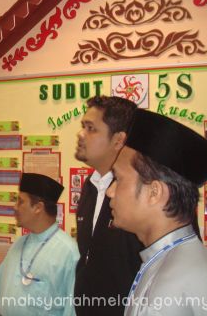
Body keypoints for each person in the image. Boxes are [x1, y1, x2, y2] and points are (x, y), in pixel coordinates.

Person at [107, 109, 207, 315]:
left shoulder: (168, 289)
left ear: (154, 192)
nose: (110, 191)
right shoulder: (185, 260)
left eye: (118, 179)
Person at [0, 173, 79, 315]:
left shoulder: (68, 252)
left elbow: (72, 310)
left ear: (38, 207)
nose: (15, 207)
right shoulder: (19, 244)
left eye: (20, 202)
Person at [74, 95, 143, 315]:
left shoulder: (138, 195)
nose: (80, 134)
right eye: (83, 126)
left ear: (118, 140)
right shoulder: (90, 187)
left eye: (91, 128)